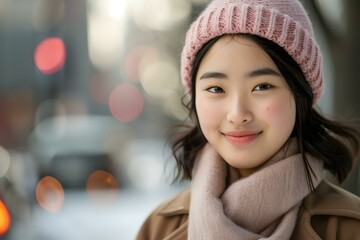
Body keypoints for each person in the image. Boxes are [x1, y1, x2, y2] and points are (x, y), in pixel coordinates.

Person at [136, 0, 360, 239]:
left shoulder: (349, 227)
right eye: (216, 89)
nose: (237, 114)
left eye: (262, 86)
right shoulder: (158, 229)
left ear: (300, 94)